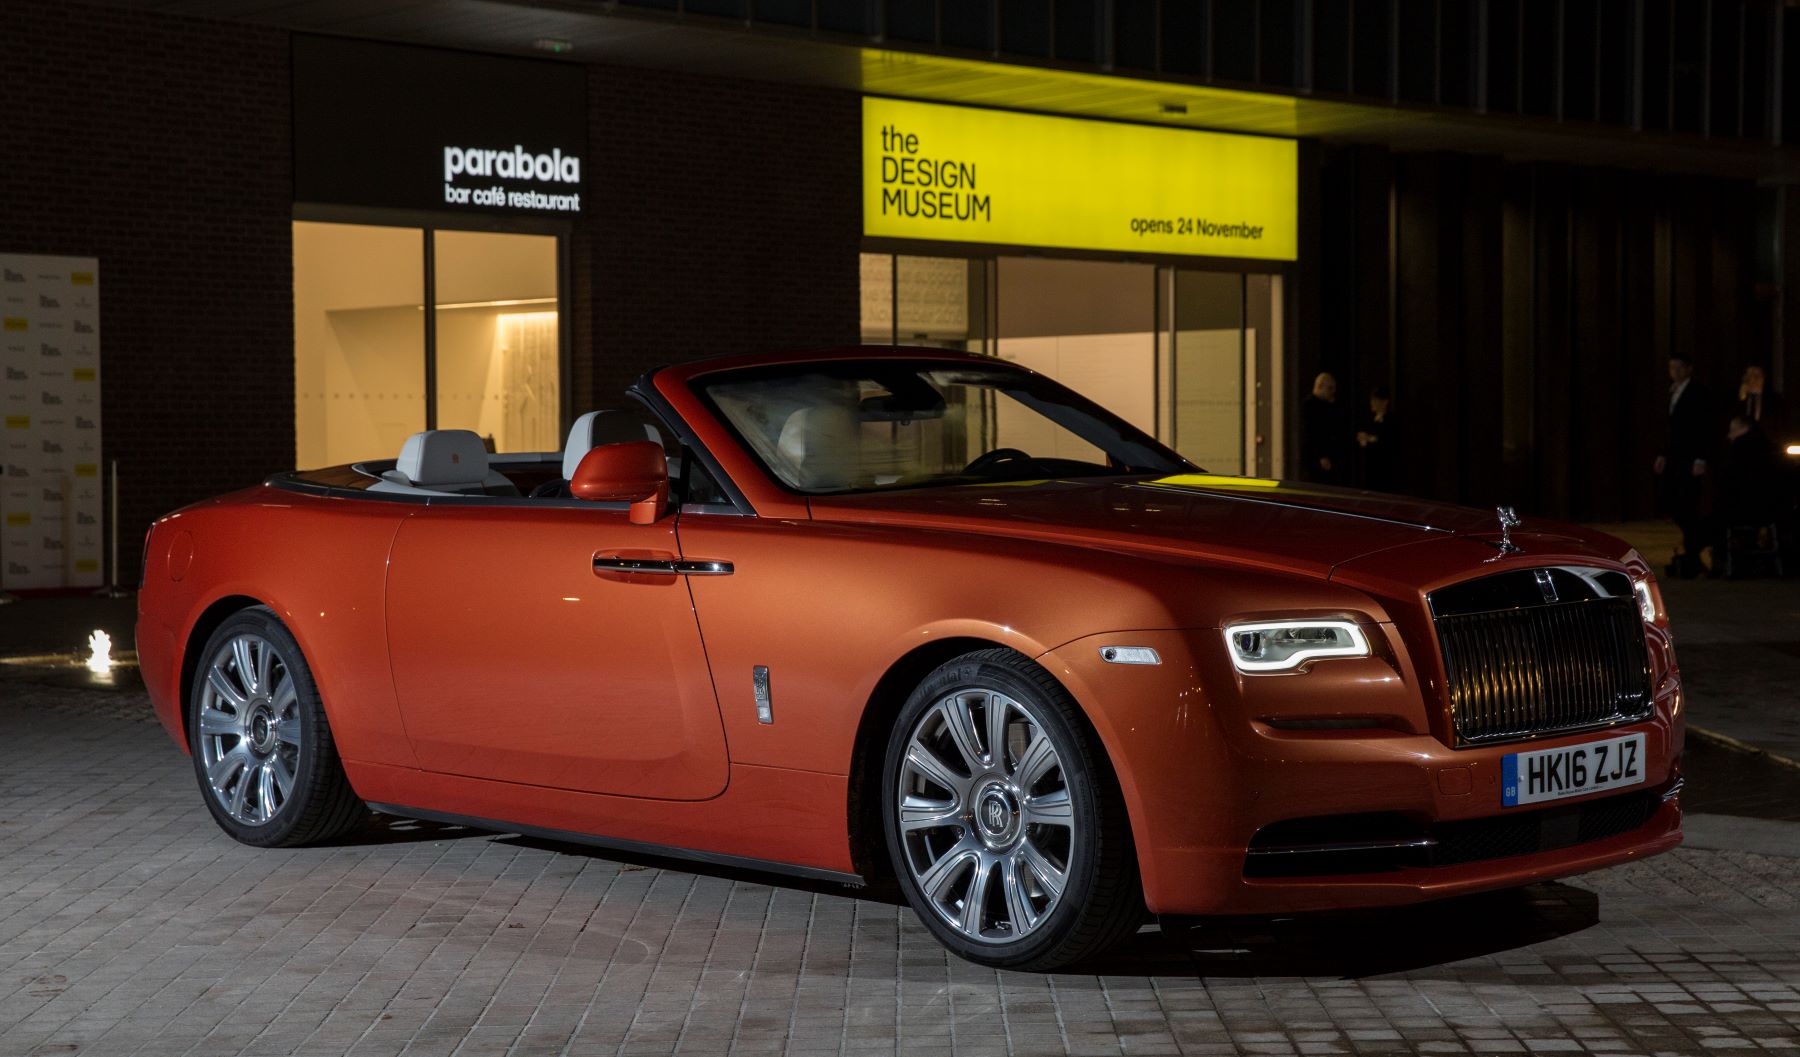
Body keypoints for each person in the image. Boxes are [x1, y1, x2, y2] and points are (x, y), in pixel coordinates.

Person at [1654, 353, 1716, 578]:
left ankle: (1693, 552)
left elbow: (1704, 427)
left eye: (1679, 368)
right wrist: (1663, 453)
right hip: (1675, 456)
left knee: (1687, 503)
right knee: (1674, 502)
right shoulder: (1672, 391)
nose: (1675, 372)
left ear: (1688, 369)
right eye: (1672, 368)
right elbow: (1669, 428)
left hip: (1690, 457)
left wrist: (1701, 458)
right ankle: (1693, 550)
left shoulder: (1698, 392)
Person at [1709, 415, 1784, 575]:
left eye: (1732, 431)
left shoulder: (1737, 452)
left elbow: (1727, 486)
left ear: (1743, 429)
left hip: (1743, 509)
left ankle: (1721, 563)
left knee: (1711, 523)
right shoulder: (1770, 449)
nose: (1729, 435)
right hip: (1770, 509)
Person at [1300, 372, 1349, 485]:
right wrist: (1321, 455)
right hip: (1316, 457)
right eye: (1330, 388)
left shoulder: (1326, 405)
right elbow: (1313, 432)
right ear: (1320, 386)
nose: (1333, 392)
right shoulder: (1310, 405)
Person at [1356, 385, 1397, 492]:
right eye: (1372, 400)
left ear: (1385, 402)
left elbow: (1388, 442)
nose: (1372, 403)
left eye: (1375, 400)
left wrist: (1371, 439)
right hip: (1369, 468)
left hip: (1384, 470)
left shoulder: (1391, 421)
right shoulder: (1370, 419)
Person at [1737, 364, 1788, 446]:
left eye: (1757, 376)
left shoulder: (1775, 400)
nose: (1754, 379)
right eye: (1750, 376)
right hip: (1742, 446)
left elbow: (1781, 424)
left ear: (1763, 378)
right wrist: (1742, 398)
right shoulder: (1739, 399)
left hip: (1768, 445)